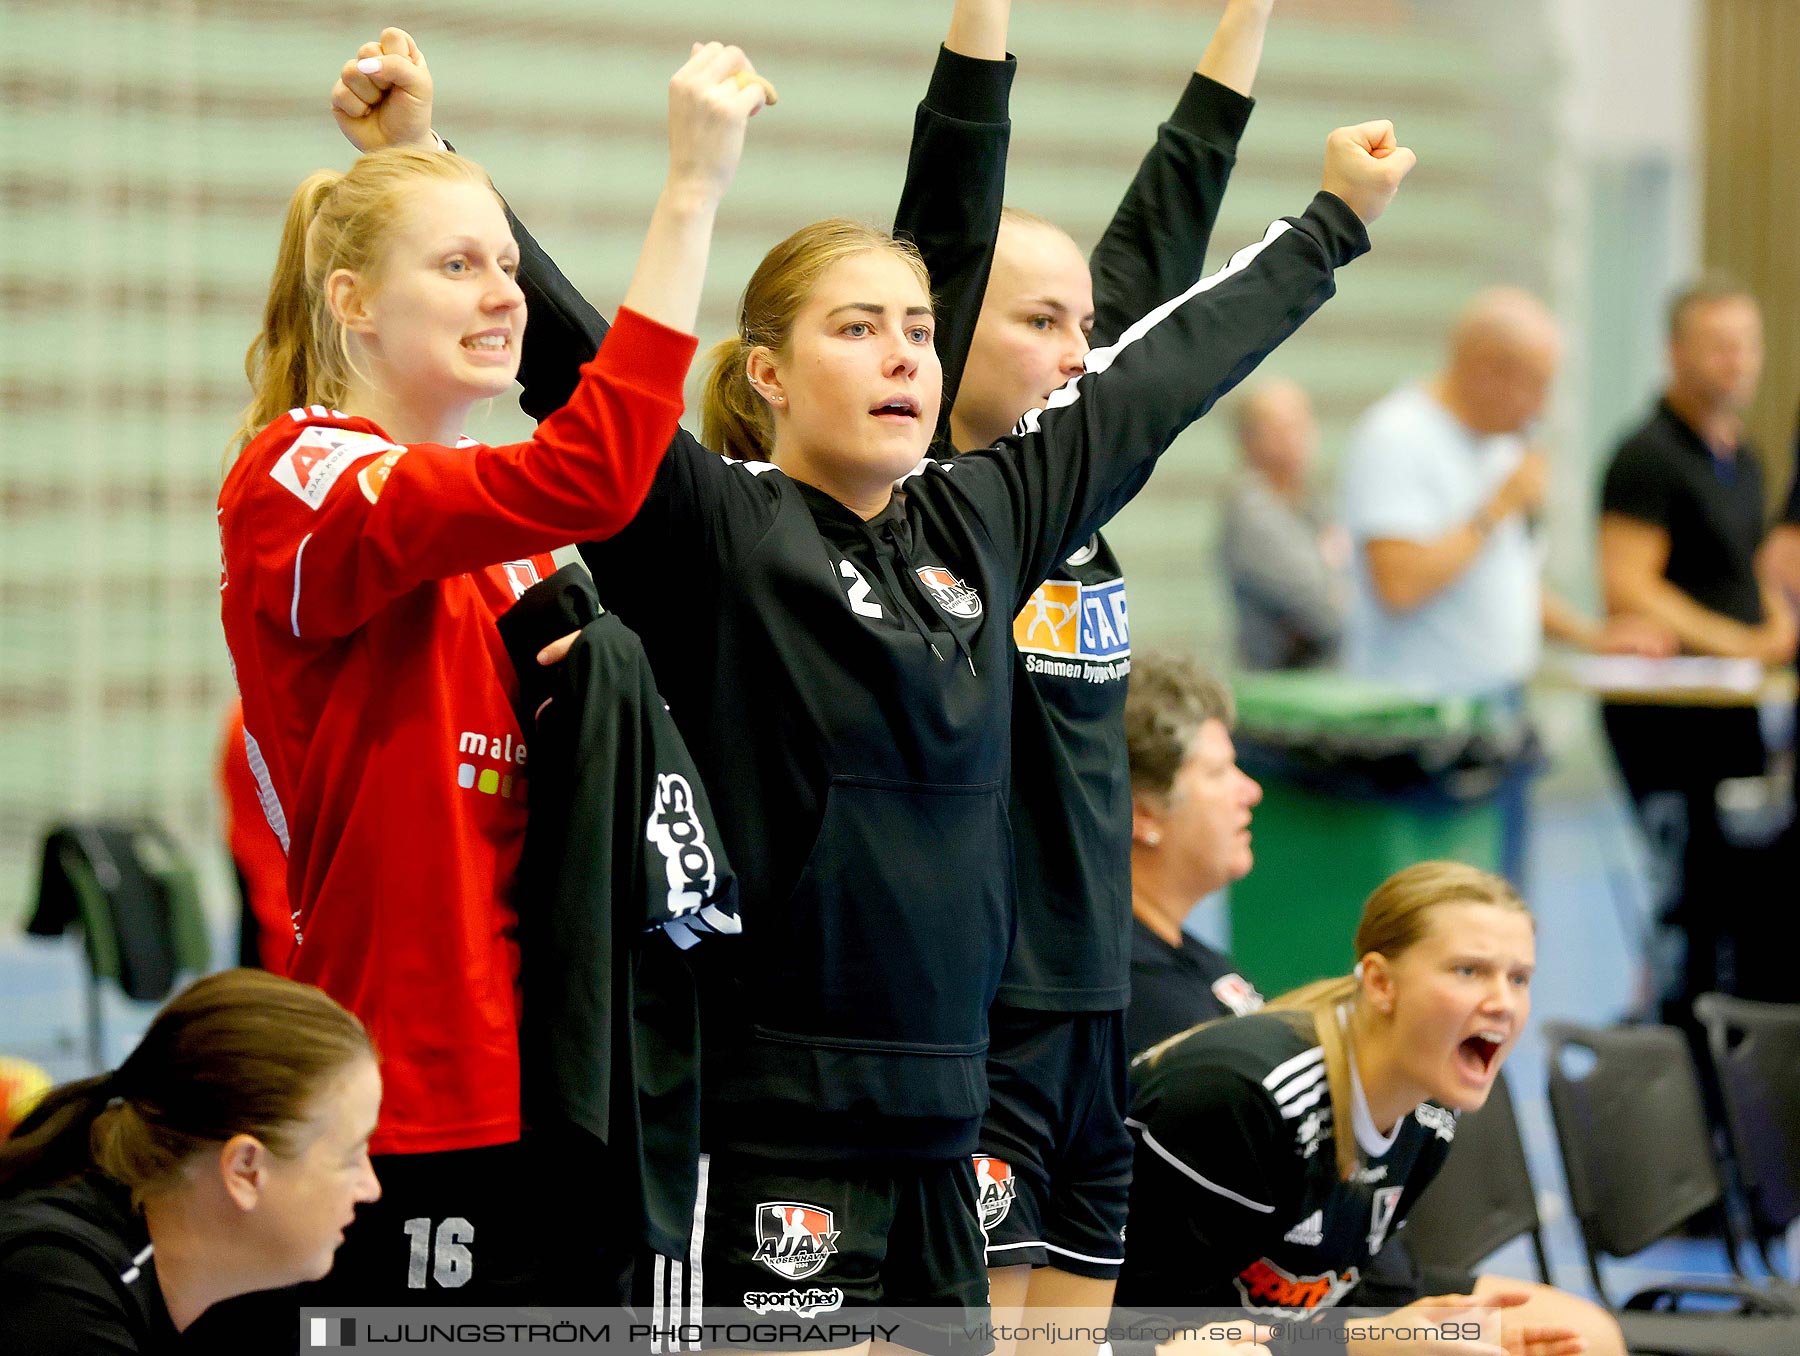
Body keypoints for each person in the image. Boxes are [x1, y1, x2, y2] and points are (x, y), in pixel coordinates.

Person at [495, 45, 1409, 1348]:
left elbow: (1159, 376)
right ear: (767, 374)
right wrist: (439, 165)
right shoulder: (715, 531)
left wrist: (1330, 227)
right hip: (765, 1126)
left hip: (944, 1123)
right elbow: (579, 357)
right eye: (857, 330)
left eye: (921, 329)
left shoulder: (980, 520)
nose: (903, 357)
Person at [219, 39, 767, 1307]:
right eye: (460, 267)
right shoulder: (298, 480)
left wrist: (422, 149)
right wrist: (690, 192)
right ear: (353, 300)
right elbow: (588, 469)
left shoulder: (520, 561)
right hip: (404, 1092)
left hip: (560, 1077)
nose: (504, 296)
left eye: (510, 267)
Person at [911, 0, 1283, 1340]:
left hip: (1096, 998)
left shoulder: (1069, 486)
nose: (1082, 351)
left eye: (1085, 328)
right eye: (1040, 323)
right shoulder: (939, 508)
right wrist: (981, 26)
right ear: (945, 335)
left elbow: (1162, 244)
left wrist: (1245, 25)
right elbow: (950, 200)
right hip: (985, 1012)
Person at [1115, 862, 1623, 1356]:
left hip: (1286, 1324)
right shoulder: (1243, 1098)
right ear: (1381, 983)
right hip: (1130, 1333)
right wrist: (1367, 1343)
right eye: (1469, 971)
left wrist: (1420, 1332)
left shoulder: (1430, 1109)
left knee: (1582, 1333)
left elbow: (1356, 1288)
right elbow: (1160, 1334)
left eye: (1518, 979)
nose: (1503, 1003)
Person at [1338, 288, 1671, 883]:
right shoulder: (1398, 436)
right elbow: (1400, 581)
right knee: (1433, 917)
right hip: (1424, 727)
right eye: (1536, 384)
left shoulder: (1504, 446)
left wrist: (1594, 637)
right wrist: (1495, 508)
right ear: (1487, 369)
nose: (1541, 405)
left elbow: (1508, 581)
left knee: (1499, 907)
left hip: (1500, 717)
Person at [1598, 276, 1796, 1022]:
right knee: (1685, 892)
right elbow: (1630, 588)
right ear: (1676, 352)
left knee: (1739, 890)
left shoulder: (1742, 456)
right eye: (1718, 345)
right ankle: (1674, 1035)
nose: (1735, 362)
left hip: (1733, 710)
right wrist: (1742, 642)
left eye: (1746, 345)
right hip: (1665, 718)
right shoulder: (1646, 456)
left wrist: (1776, 622)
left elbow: (1754, 564)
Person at [0, 970, 379, 1353]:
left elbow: (404, 1335)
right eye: (351, 1158)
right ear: (245, 1170)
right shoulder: (57, 1295)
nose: (371, 1188)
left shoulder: (243, 1281)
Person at [1123, 654, 1266, 1059]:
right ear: (1143, 812)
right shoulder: (1138, 994)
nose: (1251, 792)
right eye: (1219, 772)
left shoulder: (1182, 953)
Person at [1220, 378, 1347, 670]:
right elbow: (1324, 611)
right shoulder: (1252, 513)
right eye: (1279, 429)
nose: (1294, 438)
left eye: (1301, 425)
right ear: (1248, 441)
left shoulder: (1310, 503)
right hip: (1281, 690)